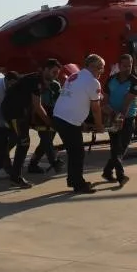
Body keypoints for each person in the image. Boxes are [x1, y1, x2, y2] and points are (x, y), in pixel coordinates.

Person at [0, 58, 62, 188]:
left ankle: (10, 169)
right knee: (23, 143)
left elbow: (34, 106)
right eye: (53, 72)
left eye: (57, 73)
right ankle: (15, 177)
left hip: (22, 112)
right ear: (45, 70)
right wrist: (50, 123)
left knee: (21, 141)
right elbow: (37, 106)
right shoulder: (35, 81)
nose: (56, 75)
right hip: (14, 113)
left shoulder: (40, 81)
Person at [52, 54, 106, 194]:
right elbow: (95, 108)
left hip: (59, 117)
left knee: (73, 151)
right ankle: (78, 184)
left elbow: (75, 99)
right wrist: (99, 126)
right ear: (92, 67)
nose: (102, 71)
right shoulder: (93, 82)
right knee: (77, 153)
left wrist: (81, 123)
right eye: (101, 68)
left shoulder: (74, 76)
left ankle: (73, 180)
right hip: (68, 120)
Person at [101, 53, 137, 186]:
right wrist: (107, 111)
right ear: (119, 66)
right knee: (115, 146)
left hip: (127, 117)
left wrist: (120, 116)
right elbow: (105, 99)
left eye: (129, 65)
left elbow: (127, 103)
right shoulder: (111, 79)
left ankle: (107, 171)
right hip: (112, 117)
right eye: (124, 66)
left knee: (121, 147)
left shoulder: (135, 82)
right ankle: (120, 176)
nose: (127, 68)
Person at [27, 76, 64, 176]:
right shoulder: (38, 86)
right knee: (46, 140)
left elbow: (59, 101)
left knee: (45, 142)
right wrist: (33, 119)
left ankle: (33, 164)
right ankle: (54, 162)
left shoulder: (55, 85)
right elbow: (36, 105)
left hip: (53, 114)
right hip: (41, 115)